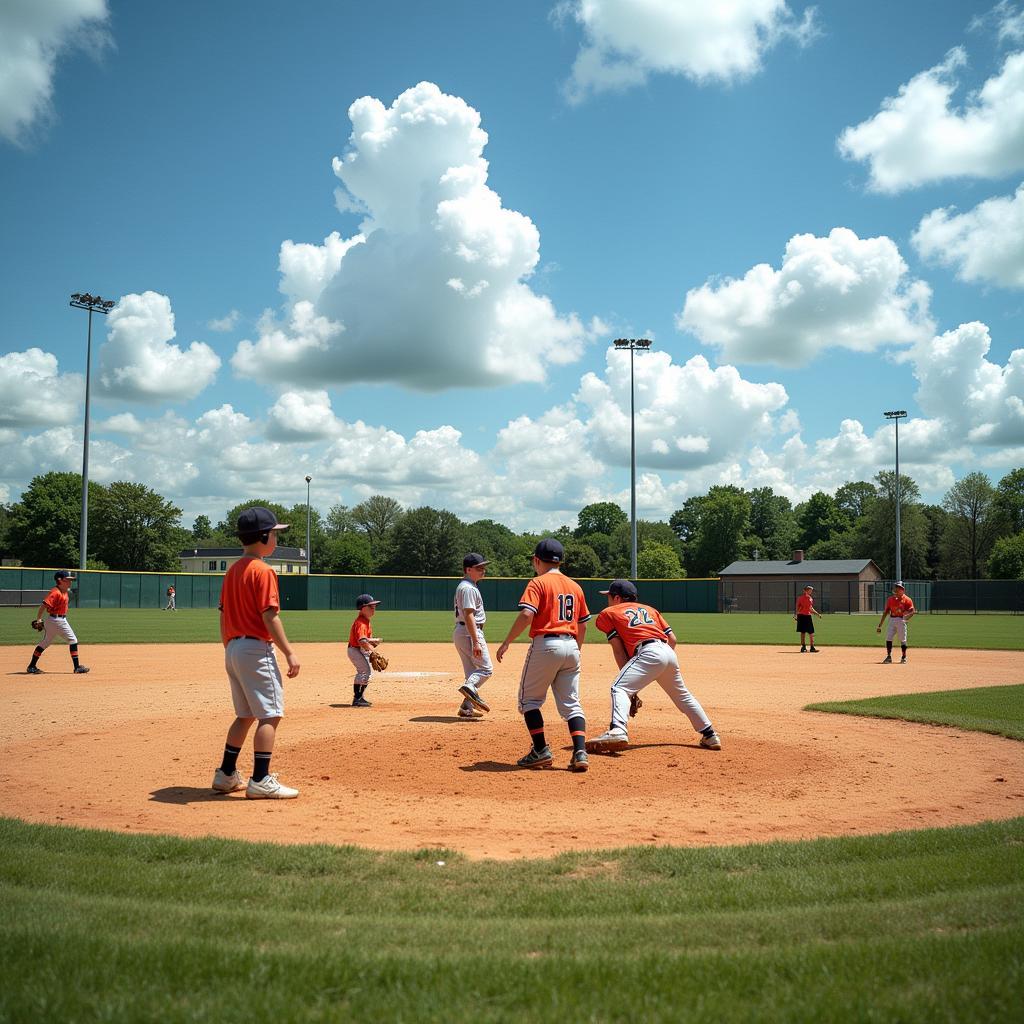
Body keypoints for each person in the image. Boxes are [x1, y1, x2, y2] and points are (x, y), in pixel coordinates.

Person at [211, 506, 301, 799]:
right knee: (270, 715)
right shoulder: (263, 571)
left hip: (233, 647)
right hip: (255, 648)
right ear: (263, 536)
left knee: (245, 714)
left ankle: (226, 775)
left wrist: (230, 646)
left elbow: (223, 614)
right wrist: (289, 652)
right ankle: (260, 779)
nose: (277, 538)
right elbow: (269, 615)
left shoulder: (233, 570)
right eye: (275, 533)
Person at [586, 580, 721, 755]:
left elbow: (619, 651)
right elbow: (672, 639)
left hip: (647, 652)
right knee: (682, 696)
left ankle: (617, 729)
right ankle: (710, 735)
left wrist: (633, 688)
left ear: (617, 598)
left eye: (609, 597)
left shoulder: (609, 613)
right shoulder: (650, 610)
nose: (608, 601)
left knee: (619, 688)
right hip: (667, 651)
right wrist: (660, 662)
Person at [496, 538, 591, 772]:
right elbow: (584, 625)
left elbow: (527, 615)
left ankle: (540, 750)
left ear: (537, 560)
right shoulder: (575, 586)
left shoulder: (537, 583)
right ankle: (580, 752)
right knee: (572, 704)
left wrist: (507, 641)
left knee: (529, 701)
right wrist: (575, 650)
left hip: (546, 644)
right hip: (571, 645)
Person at [26, 570, 89, 675]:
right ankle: (77, 667)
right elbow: (44, 605)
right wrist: (38, 619)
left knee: (45, 643)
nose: (70, 582)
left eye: (70, 580)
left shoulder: (64, 592)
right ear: (60, 580)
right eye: (67, 580)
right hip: (57, 621)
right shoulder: (55, 592)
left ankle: (31, 666)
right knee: (73, 640)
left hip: (54, 620)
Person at [453, 553, 492, 719]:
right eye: (479, 568)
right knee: (485, 669)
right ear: (468, 569)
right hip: (471, 632)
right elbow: (469, 615)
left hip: (462, 632)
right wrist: (476, 640)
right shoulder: (468, 588)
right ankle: (469, 687)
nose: (483, 570)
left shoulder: (467, 586)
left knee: (471, 673)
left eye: (483, 567)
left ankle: (466, 707)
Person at [347, 593, 383, 707]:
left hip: (358, 650)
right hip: (355, 650)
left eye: (374, 607)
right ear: (362, 608)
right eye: (370, 607)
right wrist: (372, 651)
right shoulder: (361, 623)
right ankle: (357, 699)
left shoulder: (365, 621)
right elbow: (362, 641)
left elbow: (364, 640)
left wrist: (373, 641)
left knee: (365, 672)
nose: (373, 609)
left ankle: (359, 698)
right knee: (364, 671)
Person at [877, 581, 915, 663]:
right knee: (888, 638)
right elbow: (886, 612)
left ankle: (904, 657)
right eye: (896, 587)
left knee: (902, 639)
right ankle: (888, 657)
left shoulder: (907, 600)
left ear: (903, 590)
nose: (896, 589)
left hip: (901, 620)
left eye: (898, 587)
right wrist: (880, 625)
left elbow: (912, 611)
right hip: (892, 620)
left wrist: (906, 618)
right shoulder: (890, 599)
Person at [794, 585, 821, 652]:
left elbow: (810, 608)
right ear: (805, 590)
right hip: (801, 616)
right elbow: (798, 607)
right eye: (809, 590)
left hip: (808, 616)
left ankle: (812, 647)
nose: (811, 591)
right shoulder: (800, 598)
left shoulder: (810, 598)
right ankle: (803, 647)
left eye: (811, 590)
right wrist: (796, 615)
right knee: (803, 632)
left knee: (811, 632)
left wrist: (817, 614)